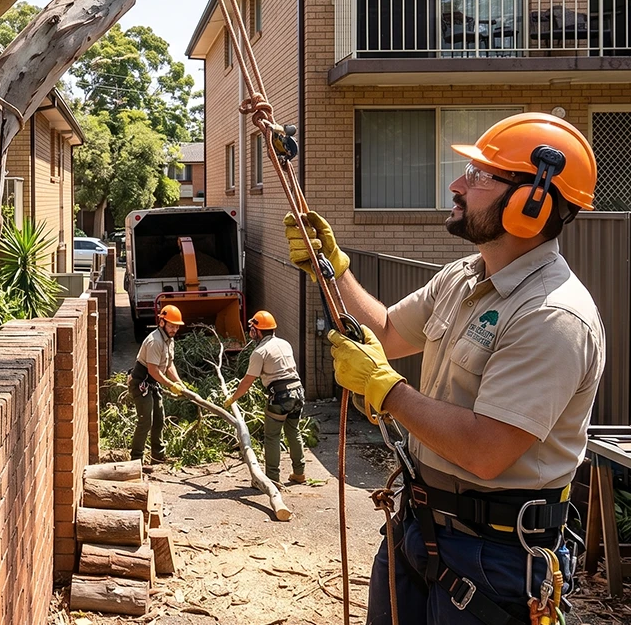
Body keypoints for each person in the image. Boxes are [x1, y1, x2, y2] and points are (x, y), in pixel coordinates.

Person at [283, 112, 605, 625]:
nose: (457, 186)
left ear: (532, 201)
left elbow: (486, 451)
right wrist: (334, 267)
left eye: (480, 176)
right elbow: (387, 330)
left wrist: (386, 390)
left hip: (496, 558)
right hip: (419, 524)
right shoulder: (461, 278)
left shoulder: (551, 316)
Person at [224, 310, 306, 486]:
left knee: (272, 436)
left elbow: (247, 382)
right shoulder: (285, 344)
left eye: (252, 328)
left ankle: (272, 479)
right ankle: (299, 473)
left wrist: (233, 398)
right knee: (293, 431)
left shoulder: (259, 352)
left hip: (281, 396)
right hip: (298, 392)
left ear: (258, 330)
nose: (250, 331)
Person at [129, 304, 188, 465]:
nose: (174, 329)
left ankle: (158, 455)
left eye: (176, 326)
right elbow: (154, 371)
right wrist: (171, 385)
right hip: (141, 383)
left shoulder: (169, 340)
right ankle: (136, 460)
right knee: (145, 420)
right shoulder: (155, 341)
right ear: (162, 322)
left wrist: (179, 383)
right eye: (171, 326)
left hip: (153, 384)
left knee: (159, 419)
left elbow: (169, 365)